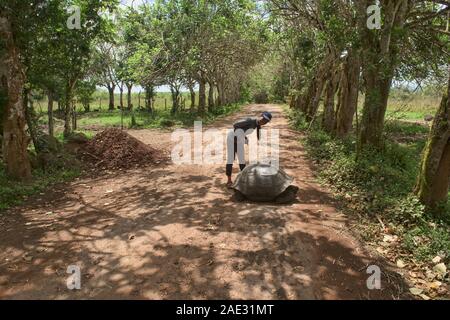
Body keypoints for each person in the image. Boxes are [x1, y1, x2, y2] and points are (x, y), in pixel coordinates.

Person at [226, 111, 272, 188]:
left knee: (242, 160)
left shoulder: (257, 125)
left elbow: (244, 130)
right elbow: (235, 125)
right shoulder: (251, 120)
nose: (263, 121)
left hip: (239, 139)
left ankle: (243, 179)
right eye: (263, 119)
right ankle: (229, 180)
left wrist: (244, 137)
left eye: (266, 121)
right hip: (232, 138)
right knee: (230, 159)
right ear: (260, 116)